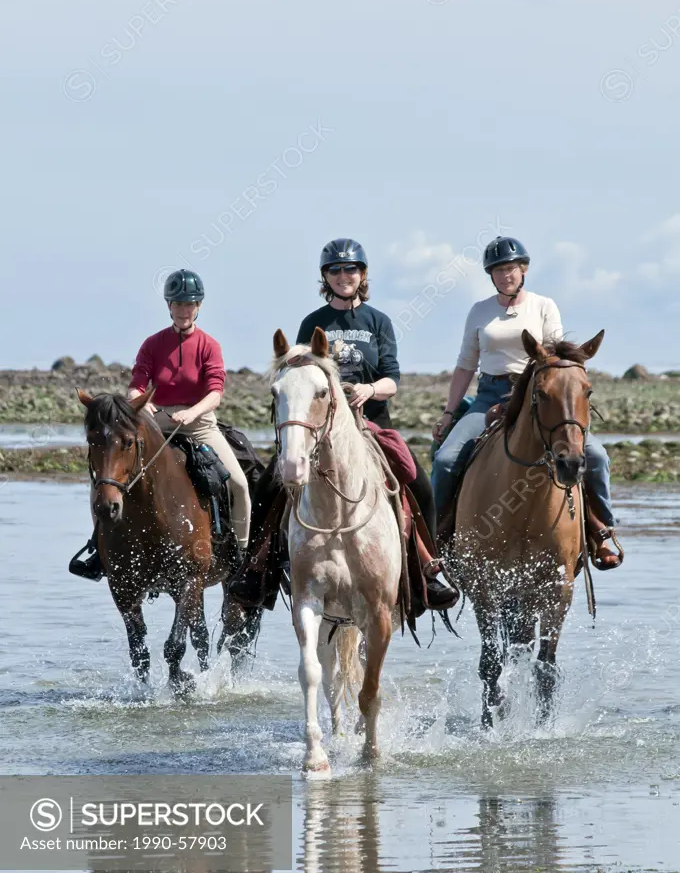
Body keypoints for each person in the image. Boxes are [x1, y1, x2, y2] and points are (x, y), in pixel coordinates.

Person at [229, 238, 458, 608]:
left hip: (370, 424)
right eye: (334, 270)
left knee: (420, 482)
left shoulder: (378, 321)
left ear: (362, 274)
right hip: (319, 428)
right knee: (270, 483)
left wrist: (369, 388)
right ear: (325, 277)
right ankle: (256, 569)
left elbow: (392, 379)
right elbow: (299, 374)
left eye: (350, 268)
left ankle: (429, 568)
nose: (343, 275)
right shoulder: (313, 323)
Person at [430, 236, 621, 568]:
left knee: (596, 456)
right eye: (499, 271)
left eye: (512, 269)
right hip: (489, 395)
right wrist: (449, 412)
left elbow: (556, 357)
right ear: (491, 275)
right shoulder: (479, 311)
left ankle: (600, 532)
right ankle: (437, 538)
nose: (506, 276)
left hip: (539, 394)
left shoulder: (544, 306)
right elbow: (465, 364)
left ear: (524, 270)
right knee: (446, 460)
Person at [69, 269, 251, 580]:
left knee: (239, 484)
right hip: (156, 421)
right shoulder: (152, 344)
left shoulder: (210, 345)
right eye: (178, 304)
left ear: (199, 307)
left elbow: (215, 392)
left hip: (199, 423)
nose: (184, 310)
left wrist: (192, 412)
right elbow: (137, 383)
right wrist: (144, 403)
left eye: (190, 304)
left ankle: (240, 554)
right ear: (168, 306)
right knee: (106, 479)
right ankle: (99, 548)